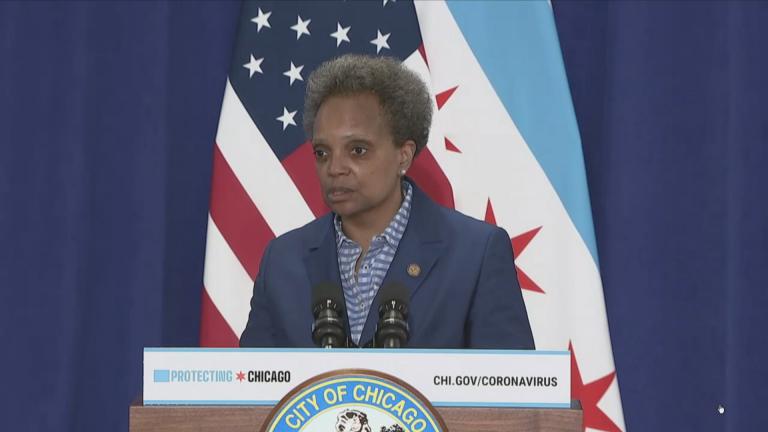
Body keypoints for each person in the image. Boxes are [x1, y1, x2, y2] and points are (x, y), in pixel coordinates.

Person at [240, 54, 534, 349]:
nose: (335, 168)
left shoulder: (475, 255)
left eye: (357, 150)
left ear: (403, 155)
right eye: (322, 152)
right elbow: (248, 390)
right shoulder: (282, 261)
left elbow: (511, 387)